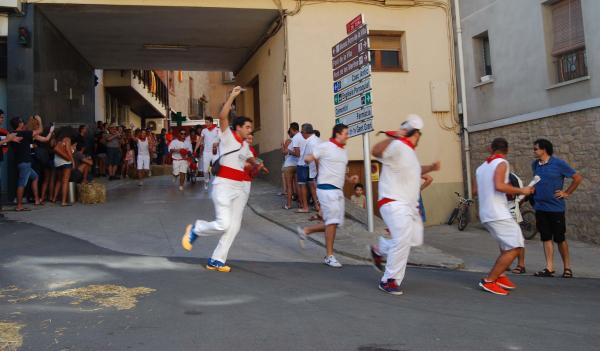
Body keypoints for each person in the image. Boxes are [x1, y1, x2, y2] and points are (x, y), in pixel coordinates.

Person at [181, 86, 264, 273]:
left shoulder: (244, 145)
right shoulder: (228, 137)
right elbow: (223, 116)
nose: (251, 130)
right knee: (223, 224)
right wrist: (232, 96)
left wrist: (258, 163)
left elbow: (248, 158)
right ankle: (196, 229)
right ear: (239, 127)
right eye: (248, 127)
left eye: (251, 127)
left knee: (234, 227)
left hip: (238, 187)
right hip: (224, 186)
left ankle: (216, 260)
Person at [368, 115, 440, 295]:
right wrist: (394, 137)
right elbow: (375, 151)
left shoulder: (410, 153)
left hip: (409, 206)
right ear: (412, 133)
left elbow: (415, 170)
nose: (419, 139)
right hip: (393, 202)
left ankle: (380, 249)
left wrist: (430, 167)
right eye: (418, 135)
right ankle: (389, 280)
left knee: (414, 239)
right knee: (402, 240)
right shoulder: (398, 146)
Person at [472, 138, 534, 296]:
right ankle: (490, 280)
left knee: (507, 245)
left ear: (490, 149)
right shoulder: (502, 163)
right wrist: (523, 191)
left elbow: (475, 191)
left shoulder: (481, 168)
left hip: (486, 212)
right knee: (516, 246)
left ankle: (500, 276)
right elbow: (499, 185)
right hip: (497, 212)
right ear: (507, 150)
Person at [296, 124, 359, 268]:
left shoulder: (343, 152)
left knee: (335, 223)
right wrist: (309, 158)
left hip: (338, 191)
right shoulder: (325, 146)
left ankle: (306, 230)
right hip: (325, 188)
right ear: (338, 134)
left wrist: (350, 180)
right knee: (332, 222)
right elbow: (309, 157)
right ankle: (329, 256)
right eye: (346, 133)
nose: (348, 136)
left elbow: (341, 170)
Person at [531, 139, 582, 278]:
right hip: (540, 207)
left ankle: (567, 268)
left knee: (560, 238)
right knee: (546, 237)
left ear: (544, 149)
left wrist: (566, 192)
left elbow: (577, 178)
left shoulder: (559, 164)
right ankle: (549, 267)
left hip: (556, 208)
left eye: (535, 149)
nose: (534, 151)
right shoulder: (535, 164)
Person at [9, 115, 52, 211]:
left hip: (20, 161)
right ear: (19, 124)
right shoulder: (24, 133)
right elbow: (40, 131)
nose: (23, 123)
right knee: (21, 183)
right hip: (25, 162)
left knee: (35, 177)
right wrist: (40, 120)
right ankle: (19, 206)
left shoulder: (12, 134)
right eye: (21, 122)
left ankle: (36, 199)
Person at [0, 111, 22, 216]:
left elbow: (7, 137)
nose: (2, 119)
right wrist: (8, 139)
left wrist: (12, 138)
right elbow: (5, 139)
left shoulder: (2, 131)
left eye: (2, 117)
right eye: (1, 117)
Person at [52, 127, 75, 206]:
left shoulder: (56, 140)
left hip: (57, 162)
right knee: (65, 181)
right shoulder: (67, 139)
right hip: (65, 162)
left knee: (59, 180)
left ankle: (54, 198)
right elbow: (68, 151)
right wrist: (73, 161)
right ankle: (63, 201)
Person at [196, 116, 221, 190]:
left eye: (207, 122)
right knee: (205, 170)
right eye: (205, 122)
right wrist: (195, 150)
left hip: (215, 152)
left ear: (211, 122)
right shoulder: (204, 131)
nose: (205, 123)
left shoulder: (217, 130)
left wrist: (217, 143)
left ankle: (216, 183)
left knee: (215, 169)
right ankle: (206, 181)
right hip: (206, 153)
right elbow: (200, 140)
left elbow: (221, 139)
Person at [291, 123, 309, 213]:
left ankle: (303, 205)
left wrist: (290, 152)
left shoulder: (295, 138)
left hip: (301, 163)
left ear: (292, 129)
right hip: (310, 163)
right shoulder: (308, 137)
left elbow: (297, 154)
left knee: (301, 185)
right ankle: (317, 206)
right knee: (312, 186)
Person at [282, 123, 300, 209]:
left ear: (292, 130)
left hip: (289, 165)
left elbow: (285, 152)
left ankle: (288, 205)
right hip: (297, 164)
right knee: (298, 185)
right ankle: (300, 203)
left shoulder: (289, 141)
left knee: (289, 186)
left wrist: (284, 147)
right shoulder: (301, 138)